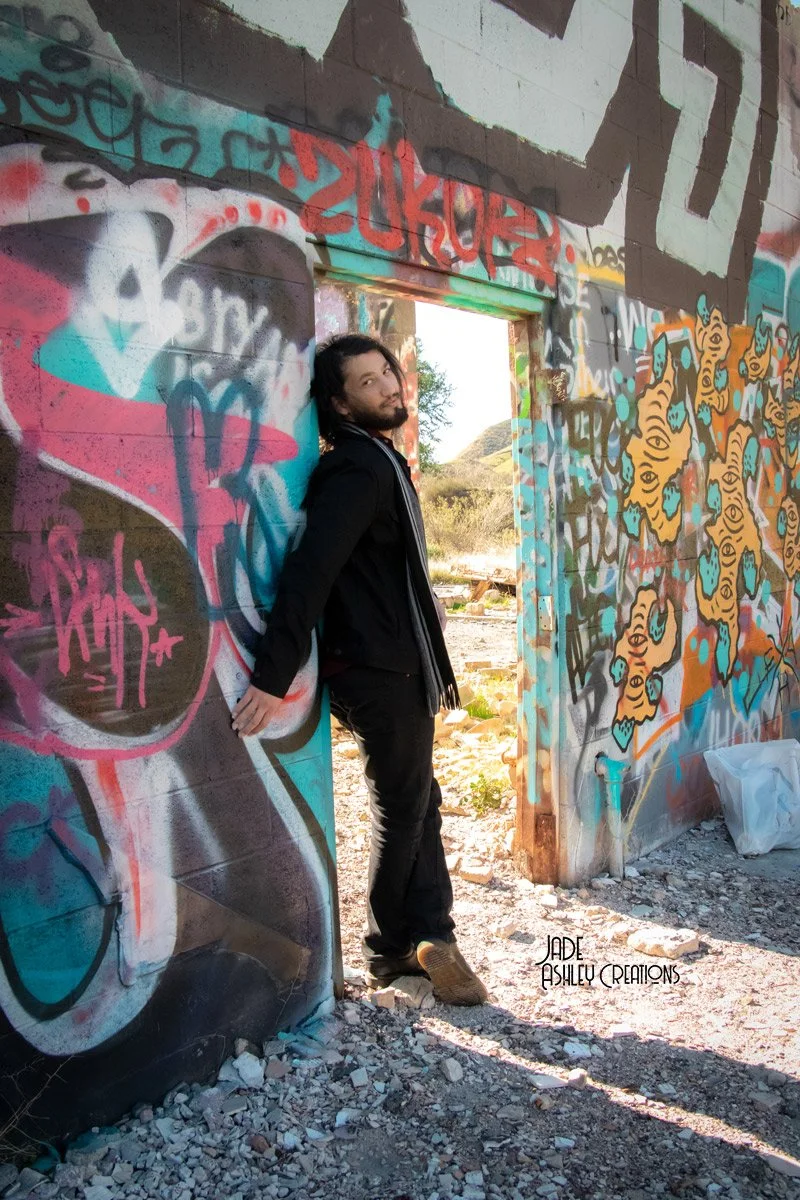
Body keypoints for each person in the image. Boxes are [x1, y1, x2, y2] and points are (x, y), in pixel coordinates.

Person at [231, 333, 488, 1006]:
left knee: (417, 801)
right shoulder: (356, 469)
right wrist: (271, 674)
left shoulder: (380, 461)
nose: (388, 387)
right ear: (340, 403)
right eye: (368, 383)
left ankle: (429, 935)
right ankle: (393, 949)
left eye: (388, 373)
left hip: (394, 664)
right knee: (402, 809)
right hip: (381, 670)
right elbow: (309, 572)